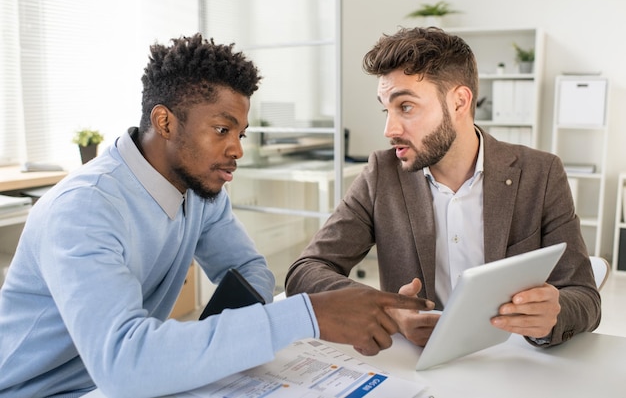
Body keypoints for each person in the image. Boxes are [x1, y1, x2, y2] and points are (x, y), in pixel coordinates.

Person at [0, 33, 434, 398]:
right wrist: (309, 314)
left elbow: (249, 273)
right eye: (222, 130)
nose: (238, 149)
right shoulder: (84, 209)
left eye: (240, 133)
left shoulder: (199, 190)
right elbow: (123, 362)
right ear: (165, 122)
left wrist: (197, 350)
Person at [285, 27, 601, 349]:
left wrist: (553, 315)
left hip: (511, 361)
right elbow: (305, 271)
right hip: (419, 365)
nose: (389, 129)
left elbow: (585, 297)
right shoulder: (382, 174)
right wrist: (384, 309)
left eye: (405, 107)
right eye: (386, 109)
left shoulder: (540, 174)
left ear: (459, 102)